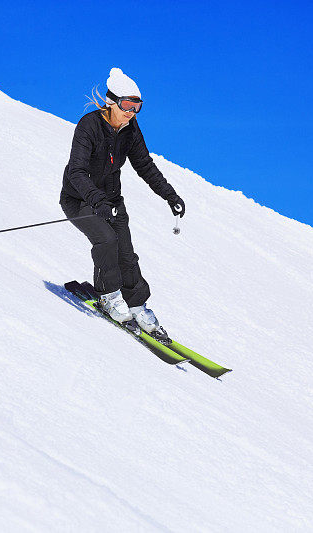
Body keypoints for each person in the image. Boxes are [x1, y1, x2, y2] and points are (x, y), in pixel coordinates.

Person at [60, 68, 185, 340]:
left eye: (137, 106)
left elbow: (144, 165)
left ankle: (137, 303)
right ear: (111, 101)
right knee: (106, 240)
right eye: (127, 105)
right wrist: (96, 200)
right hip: (79, 198)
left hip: (112, 200)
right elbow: (77, 172)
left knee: (126, 253)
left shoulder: (130, 130)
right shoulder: (88, 126)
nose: (132, 112)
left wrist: (170, 195)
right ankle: (108, 296)